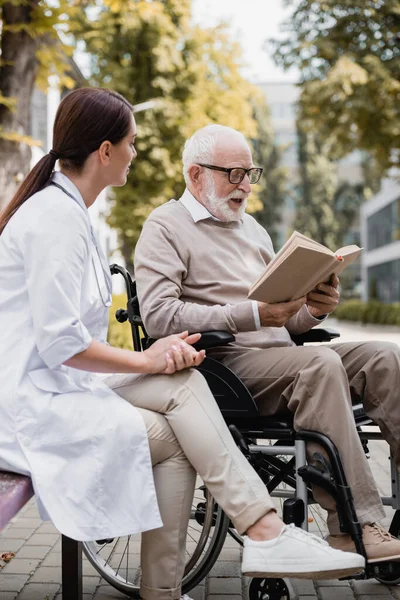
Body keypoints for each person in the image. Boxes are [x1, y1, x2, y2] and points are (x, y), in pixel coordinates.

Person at [0, 90, 365, 600]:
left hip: (64, 385)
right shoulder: (54, 219)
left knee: (180, 400)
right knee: (177, 411)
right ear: (105, 151)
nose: (135, 152)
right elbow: (63, 342)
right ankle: (259, 535)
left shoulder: (70, 213)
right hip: (34, 403)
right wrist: (146, 357)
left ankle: (199, 571)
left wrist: (157, 361)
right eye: (131, 143)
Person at [134, 123, 400, 565]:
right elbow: (161, 316)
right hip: (222, 367)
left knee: (387, 358)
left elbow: (283, 320)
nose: (244, 186)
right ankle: (354, 529)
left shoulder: (253, 229)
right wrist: (252, 314)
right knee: (318, 366)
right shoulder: (165, 226)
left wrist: (314, 308)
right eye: (232, 174)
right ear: (196, 175)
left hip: (281, 356)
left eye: (249, 174)